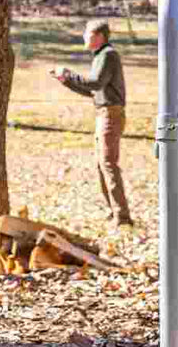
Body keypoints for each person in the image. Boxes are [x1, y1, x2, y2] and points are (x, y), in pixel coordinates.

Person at [50, 19, 133, 227]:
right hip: (103, 113)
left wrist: (68, 73)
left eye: (87, 34)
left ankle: (122, 218)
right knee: (101, 165)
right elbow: (92, 90)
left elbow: (95, 83)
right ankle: (114, 212)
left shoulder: (108, 55)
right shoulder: (100, 56)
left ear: (99, 36)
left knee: (108, 164)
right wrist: (66, 81)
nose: (84, 37)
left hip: (111, 114)